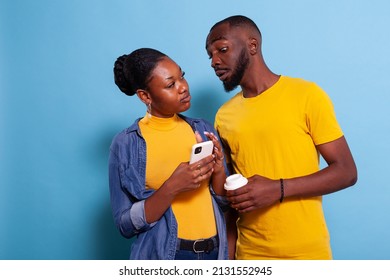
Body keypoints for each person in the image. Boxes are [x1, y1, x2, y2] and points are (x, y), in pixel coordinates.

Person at [205, 15, 358, 260]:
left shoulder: (306, 95)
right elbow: (232, 199)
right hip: (249, 255)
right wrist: (228, 258)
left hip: (306, 253)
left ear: (252, 45)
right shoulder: (224, 116)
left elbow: (347, 172)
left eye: (222, 50)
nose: (214, 61)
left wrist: (278, 189)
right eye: (210, 55)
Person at [109, 48, 229, 260]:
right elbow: (125, 225)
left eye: (182, 76)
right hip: (169, 256)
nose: (183, 87)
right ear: (145, 96)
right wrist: (172, 187)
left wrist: (219, 170)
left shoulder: (202, 130)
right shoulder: (126, 143)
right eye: (170, 84)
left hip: (215, 253)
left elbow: (224, 202)